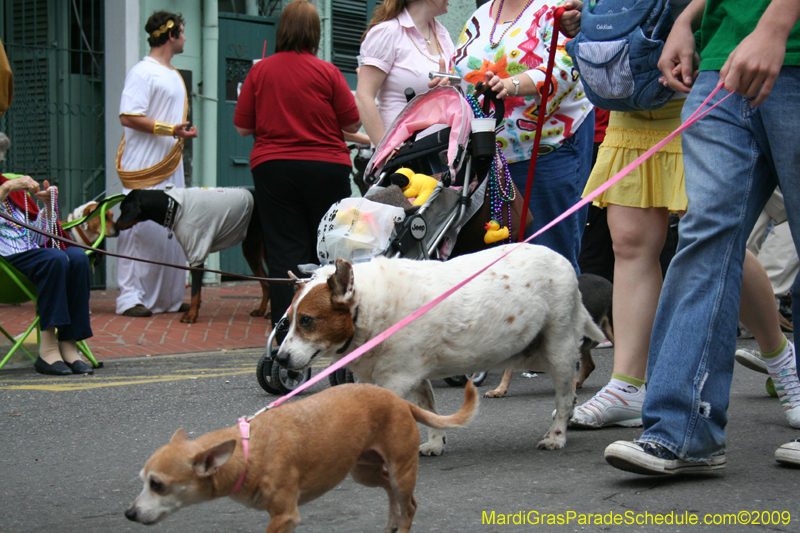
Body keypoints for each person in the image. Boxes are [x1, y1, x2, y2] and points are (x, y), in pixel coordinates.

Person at [604, 0, 800, 474]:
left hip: (787, 48)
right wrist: (687, 19)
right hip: (721, 61)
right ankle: (681, 431)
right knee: (703, 238)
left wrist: (776, 22)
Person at [233, 0, 361, 327]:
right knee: (326, 248)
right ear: (315, 33)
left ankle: (285, 331)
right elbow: (352, 123)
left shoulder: (260, 71)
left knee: (283, 252)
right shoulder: (328, 71)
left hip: (274, 167)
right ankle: (329, 324)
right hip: (326, 166)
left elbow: (242, 127)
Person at [452, 0, 595, 271]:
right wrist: (448, 82)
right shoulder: (481, 15)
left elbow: (566, 67)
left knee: (549, 265)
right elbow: (461, 72)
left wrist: (511, 84)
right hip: (490, 160)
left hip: (547, 154)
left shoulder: (558, 7)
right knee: (498, 267)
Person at [115, 11, 198, 318]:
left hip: (169, 162)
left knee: (171, 225)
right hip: (145, 163)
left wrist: (182, 132)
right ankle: (130, 297)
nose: (186, 38)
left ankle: (169, 297)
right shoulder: (143, 71)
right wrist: (169, 129)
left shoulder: (174, 73)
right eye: (183, 32)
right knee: (138, 229)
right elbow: (128, 116)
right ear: (171, 35)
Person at [1, 172, 95, 376]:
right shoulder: (7, 188)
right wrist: (7, 187)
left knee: (78, 257)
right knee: (55, 259)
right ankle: (48, 350)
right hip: (6, 264)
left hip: (31, 253)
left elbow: (36, 236)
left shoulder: (11, 195)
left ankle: (69, 345)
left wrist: (48, 207)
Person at [356, 0, 454, 147]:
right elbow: (364, 97)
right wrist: (386, 152)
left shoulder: (442, 35)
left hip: (441, 154)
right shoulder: (388, 32)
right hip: (402, 156)